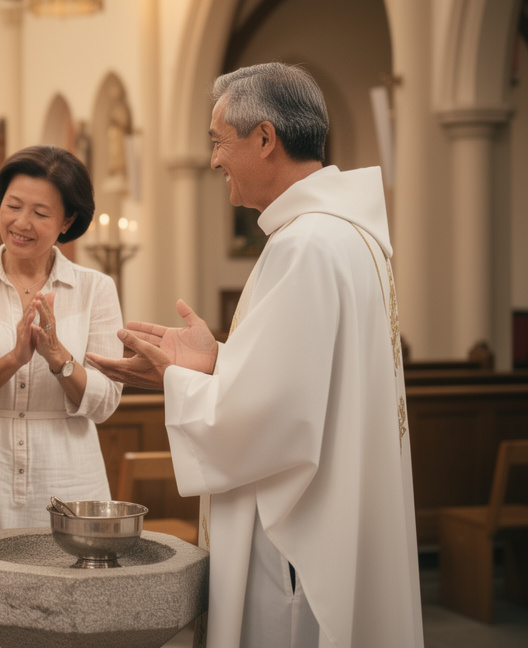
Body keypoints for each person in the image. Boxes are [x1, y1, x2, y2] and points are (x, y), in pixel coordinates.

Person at [86, 62, 424, 648]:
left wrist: (179, 380)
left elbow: (271, 420)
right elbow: (308, 382)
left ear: (265, 138)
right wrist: (218, 360)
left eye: (219, 141)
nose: (214, 159)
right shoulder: (346, 236)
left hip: (295, 534)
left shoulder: (307, 245)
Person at [0, 145, 124, 648]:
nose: (22, 221)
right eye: (13, 205)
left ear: (68, 221)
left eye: (41, 212)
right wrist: (12, 360)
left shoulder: (94, 289)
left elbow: (105, 401)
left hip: (69, 479)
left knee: (67, 621)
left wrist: (57, 354)